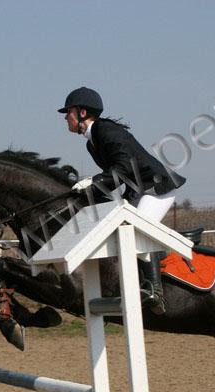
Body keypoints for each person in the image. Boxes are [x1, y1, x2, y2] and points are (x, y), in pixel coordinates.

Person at [59, 86, 187, 314]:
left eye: (68, 112)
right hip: (138, 190)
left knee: (136, 233)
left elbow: (123, 168)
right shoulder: (92, 142)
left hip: (156, 188)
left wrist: (93, 181)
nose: (66, 117)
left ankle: (155, 292)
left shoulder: (105, 131)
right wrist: (86, 193)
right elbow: (115, 177)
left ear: (82, 112)